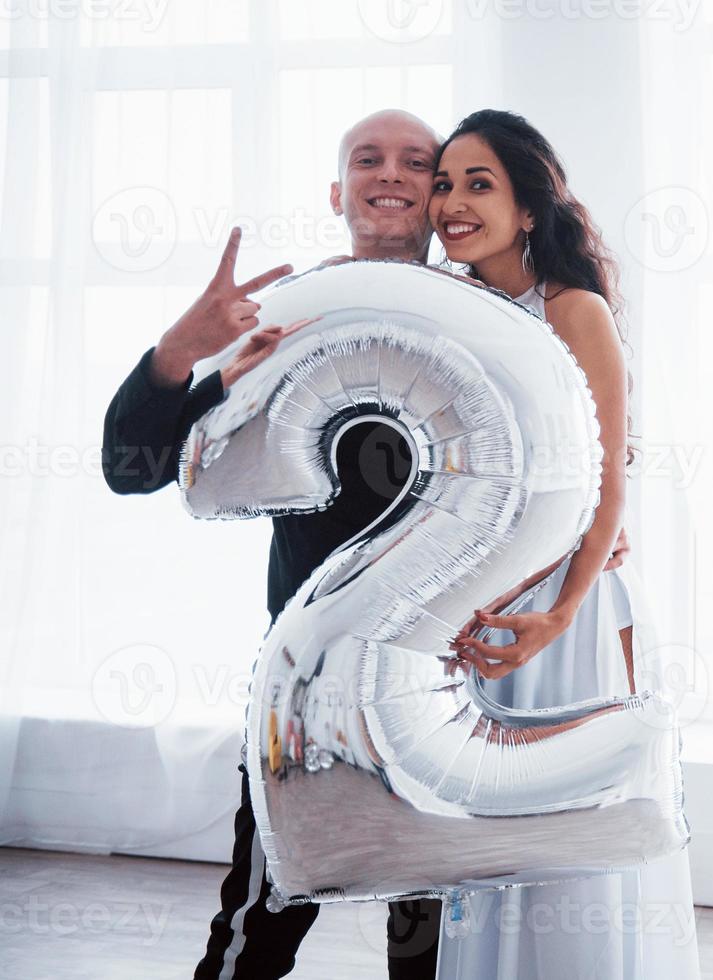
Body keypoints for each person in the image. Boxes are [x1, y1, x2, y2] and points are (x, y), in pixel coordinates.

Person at [100, 108, 631, 980]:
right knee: (260, 917)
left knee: (430, 941)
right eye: (365, 159)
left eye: (416, 163)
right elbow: (133, 467)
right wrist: (180, 354)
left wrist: (593, 538)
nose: (389, 174)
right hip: (310, 689)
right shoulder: (286, 318)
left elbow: (585, 463)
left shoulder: (496, 331)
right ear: (336, 189)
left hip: (449, 687)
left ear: (438, 197)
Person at [430, 109, 700, 978]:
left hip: (567, 609)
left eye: (479, 184)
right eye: (444, 183)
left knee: (568, 833)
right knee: (488, 832)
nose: (452, 202)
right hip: (484, 598)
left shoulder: (572, 309)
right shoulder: (446, 307)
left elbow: (610, 481)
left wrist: (562, 610)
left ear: (531, 207)